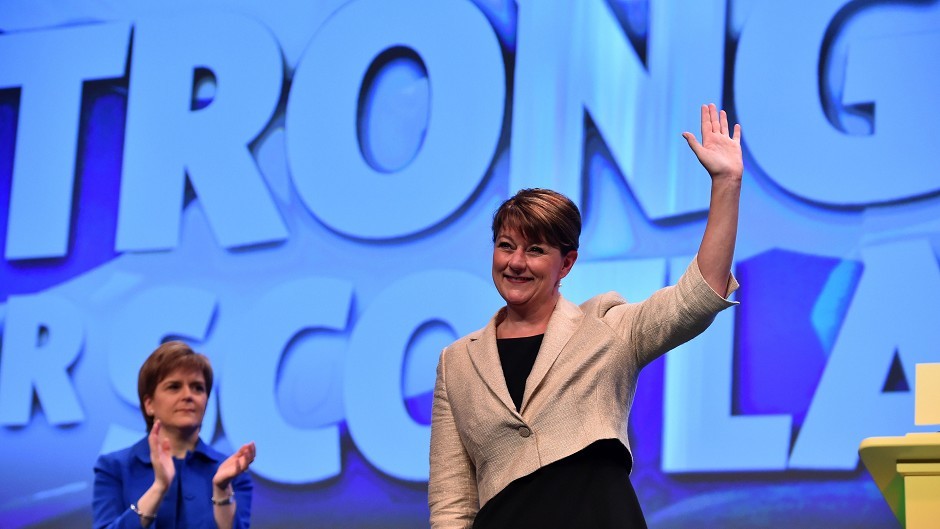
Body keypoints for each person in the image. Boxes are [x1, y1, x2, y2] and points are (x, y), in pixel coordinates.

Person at [428, 104, 743, 528]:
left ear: (567, 263)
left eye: (536, 250)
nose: (516, 262)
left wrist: (726, 184)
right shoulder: (457, 363)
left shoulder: (606, 327)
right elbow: (452, 504)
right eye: (506, 245)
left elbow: (697, 298)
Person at [93, 341, 256, 529]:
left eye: (197, 388)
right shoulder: (114, 467)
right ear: (149, 404)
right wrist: (159, 487)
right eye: (174, 386)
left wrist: (221, 489)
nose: (188, 395)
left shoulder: (231, 473)